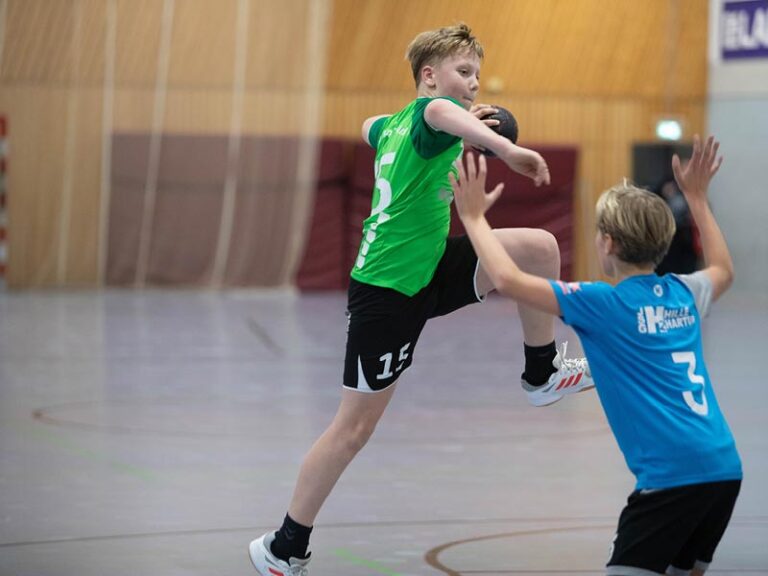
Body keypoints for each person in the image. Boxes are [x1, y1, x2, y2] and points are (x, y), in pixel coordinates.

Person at [248, 23, 593, 575]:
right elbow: (437, 115)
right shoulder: (432, 117)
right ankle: (284, 546)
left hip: (430, 266)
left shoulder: (395, 126)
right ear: (428, 77)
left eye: (477, 75)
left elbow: (370, 124)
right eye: (463, 73)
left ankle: (541, 371)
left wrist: (437, 126)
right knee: (353, 429)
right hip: (388, 295)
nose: (474, 84)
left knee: (539, 247)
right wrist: (506, 147)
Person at [450, 135, 742, 576]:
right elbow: (723, 270)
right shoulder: (682, 294)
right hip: (723, 468)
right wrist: (697, 198)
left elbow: (508, 279)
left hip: (670, 481)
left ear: (606, 244)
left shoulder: (602, 304)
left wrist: (473, 219)